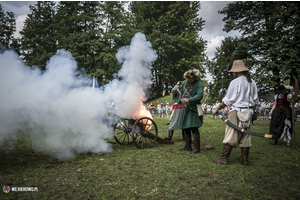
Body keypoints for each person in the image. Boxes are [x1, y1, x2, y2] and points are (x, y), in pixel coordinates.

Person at [211, 60, 259, 165]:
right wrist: (252, 112)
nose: (232, 73)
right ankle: (244, 160)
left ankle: (224, 158)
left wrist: (217, 109)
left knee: (231, 134)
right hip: (248, 112)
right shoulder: (252, 82)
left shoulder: (235, 82)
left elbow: (228, 100)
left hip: (236, 112)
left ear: (237, 72)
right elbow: (255, 101)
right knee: (246, 136)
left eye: (233, 72)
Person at [174, 69, 204, 154]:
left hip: (193, 108)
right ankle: (187, 146)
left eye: (191, 79)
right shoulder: (184, 83)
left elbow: (199, 95)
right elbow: (182, 94)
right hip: (185, 108)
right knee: (185, 127)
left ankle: (197, 148)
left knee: (194, 128)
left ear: (195, 77)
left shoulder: (199, 84)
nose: (189, 81)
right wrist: (179, 102)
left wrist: (189, 100)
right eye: (188, 79)